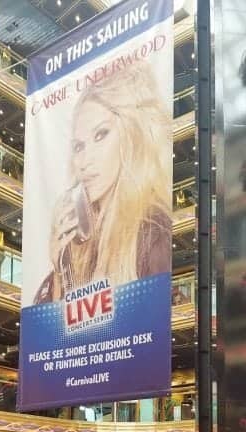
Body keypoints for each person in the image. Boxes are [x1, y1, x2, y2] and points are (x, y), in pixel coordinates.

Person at [34, 63, 172, 304]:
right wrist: (59, 271)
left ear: (130, 134)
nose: (84, 162)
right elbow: (54, 334)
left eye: (101, 135)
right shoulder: (81, 240)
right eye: (79, 146)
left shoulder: (152, 230)